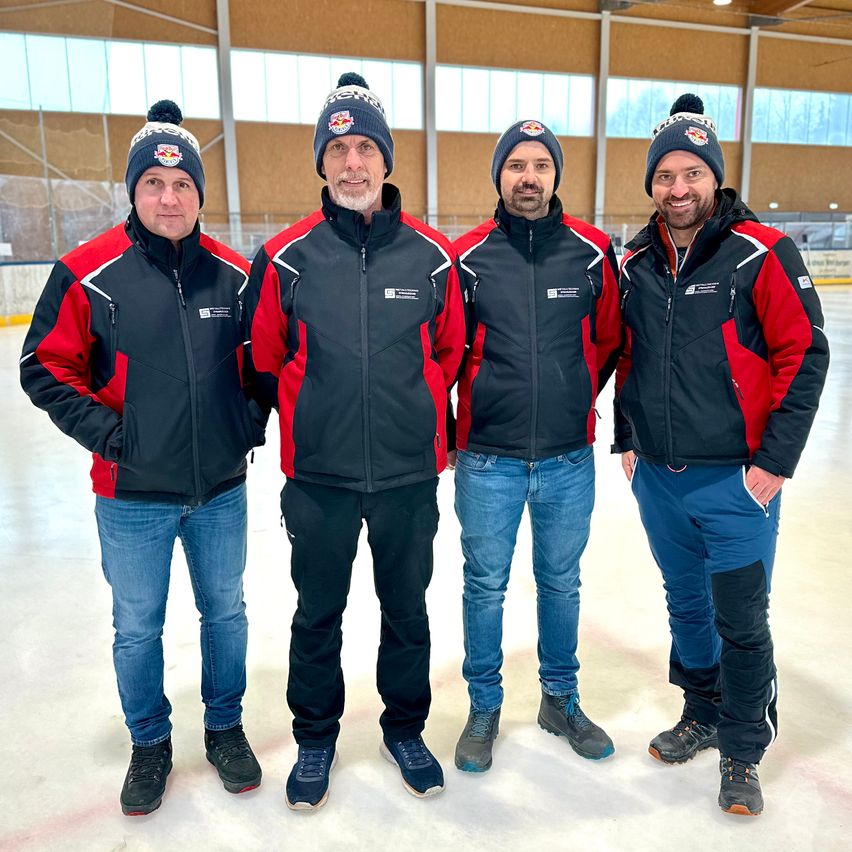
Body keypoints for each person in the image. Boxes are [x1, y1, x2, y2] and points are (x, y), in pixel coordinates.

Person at [19, 100, 269, 816]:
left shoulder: (235, 276)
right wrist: (112, 436)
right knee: (137, 626)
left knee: (226, 614)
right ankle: (150, 741)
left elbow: (264, 364)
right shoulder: (88, 273)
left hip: (220, 490)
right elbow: (43, 366)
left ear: (199, 194)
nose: (169, 198)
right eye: (154, 184)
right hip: (131, 496)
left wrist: (244, 426)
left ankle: (224, 728)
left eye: (183, 184)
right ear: (134, 191)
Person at [246, 73, 465, 811]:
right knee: (317, 615)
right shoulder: (285, 258)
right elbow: (266, 356)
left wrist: (415, 414)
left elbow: (448, 353)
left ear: (385, 160)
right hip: (320, 477)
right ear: (322, 162)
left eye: (365, 148)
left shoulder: (432, 256)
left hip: (407, 476)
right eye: (337, 150)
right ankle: (315, 737)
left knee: (407, 612)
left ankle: (405, 730)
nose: (352, 163)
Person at [613, 94, 829, 816]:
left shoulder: (761, 252)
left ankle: (742, 746)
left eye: (692, 174)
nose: (679, 188)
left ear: (714, 177)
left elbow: (805, 354)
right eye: (665, 175)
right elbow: (630, 355)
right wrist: (627, 436)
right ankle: (701, 712)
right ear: (652, 183)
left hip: (737, 481)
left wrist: (775, 461)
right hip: (660, 480)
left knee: (740, 617)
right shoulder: (636, 261)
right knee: (685, 606)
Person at [451, 120, 621, 772]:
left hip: (567, 459)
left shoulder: (592, 252)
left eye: (541, 165)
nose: (529, 177)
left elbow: (607, 341)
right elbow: (445, 350)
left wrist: (571, 397)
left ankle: (560, 699)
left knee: (561, 583)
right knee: (484, 587)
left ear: (555, 175)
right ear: (499, 174)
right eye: (517, 165)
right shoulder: (467, 257)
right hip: (487, 459)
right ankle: (484, 706)